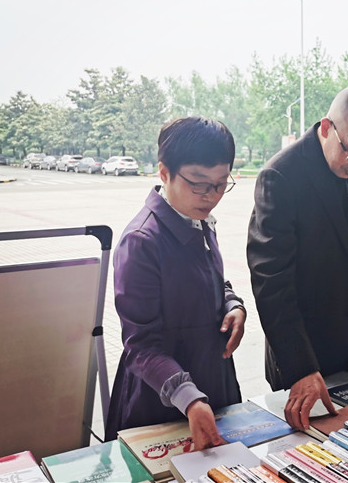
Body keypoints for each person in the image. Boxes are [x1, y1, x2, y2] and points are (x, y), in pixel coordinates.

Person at [247, 85, 348, 430]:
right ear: (327, 128)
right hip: (310, 353)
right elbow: (271, 279)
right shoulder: (282, 176)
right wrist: (301, 367)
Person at [105, 117, 246, 450]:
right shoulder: (141, 241)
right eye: (198, 183)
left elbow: (212, 279)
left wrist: (232, 305)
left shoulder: (199, 220)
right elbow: (141, 345)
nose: (211, 196)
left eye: (221, 184)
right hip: (161, 397)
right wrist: (189, 398)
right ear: (164, 172)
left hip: (211, 381)